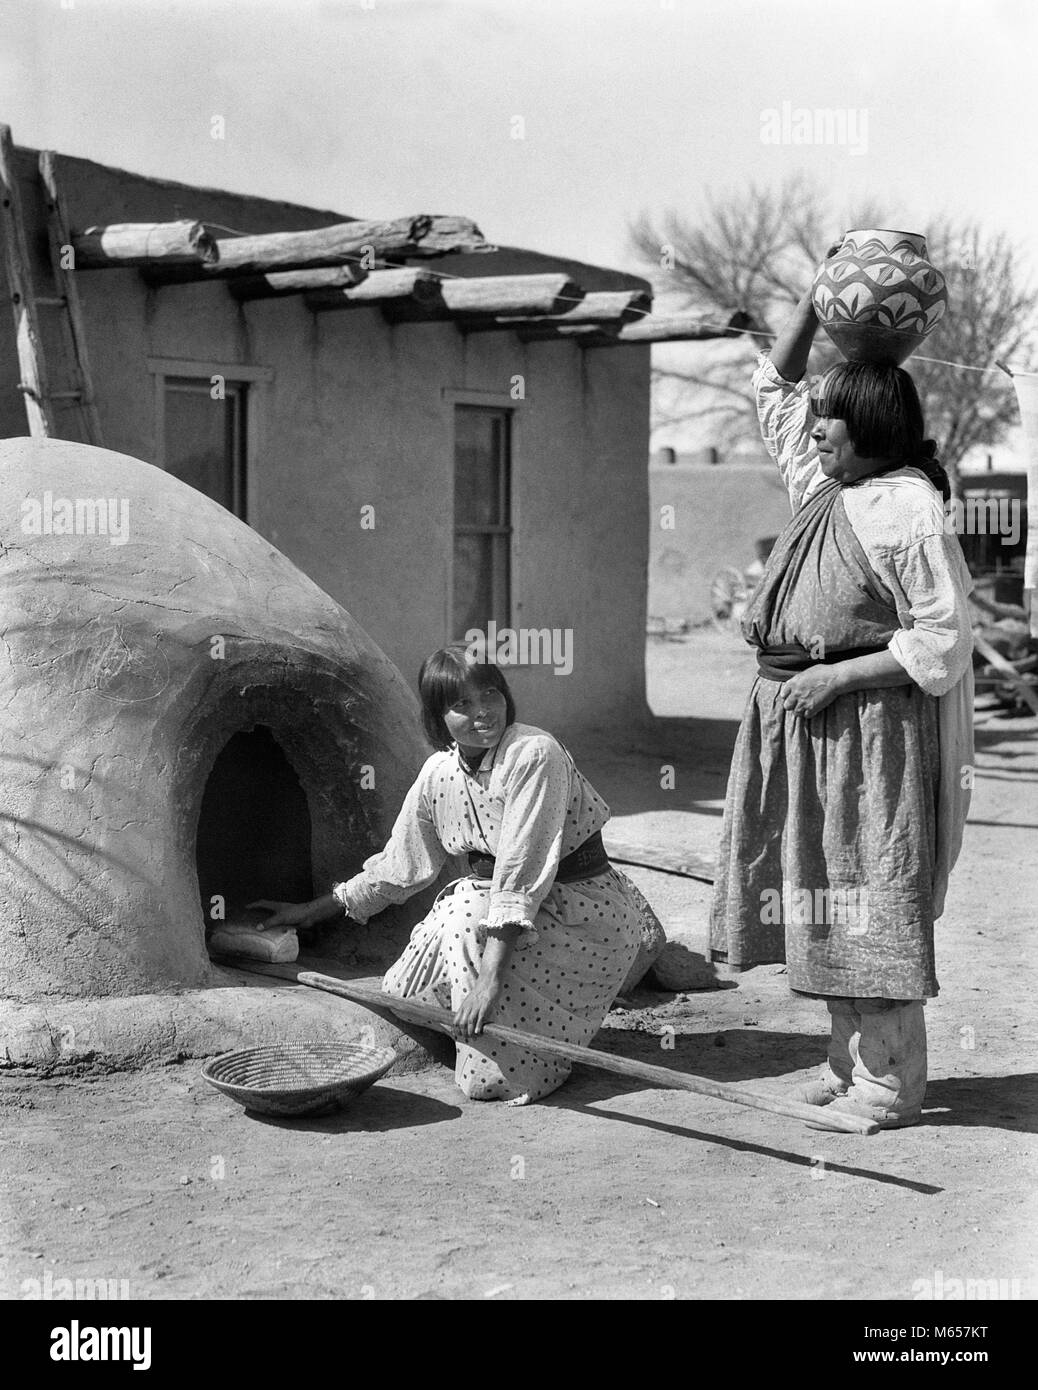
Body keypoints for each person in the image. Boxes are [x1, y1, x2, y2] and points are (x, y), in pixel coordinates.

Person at [710, 255, 975, 1129]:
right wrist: (816, 299)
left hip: (868, 727)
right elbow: (772, 386)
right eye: (818, 420)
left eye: (832, 421)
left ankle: (890, 1084)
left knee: (869, 894)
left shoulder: (907, 508)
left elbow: (941, 638)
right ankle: (843, 1061)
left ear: (871, 430)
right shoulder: (827, 483)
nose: (814, 430)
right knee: (815, 890)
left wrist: (837, 675)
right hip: (798, 719)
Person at [255, 644, 657, 1105]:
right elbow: (399, 867)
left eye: (490, 694)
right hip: (500, 914)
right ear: (436, 718)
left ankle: (516, 1056)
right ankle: (488, 1022)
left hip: (581, 915)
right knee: (403, 992)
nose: (482, 712)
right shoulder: (439, 773)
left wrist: (489, 981)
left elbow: (519, 873)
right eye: (461, 704)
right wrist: (312, 911)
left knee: (486, 1079)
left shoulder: (533, 753)